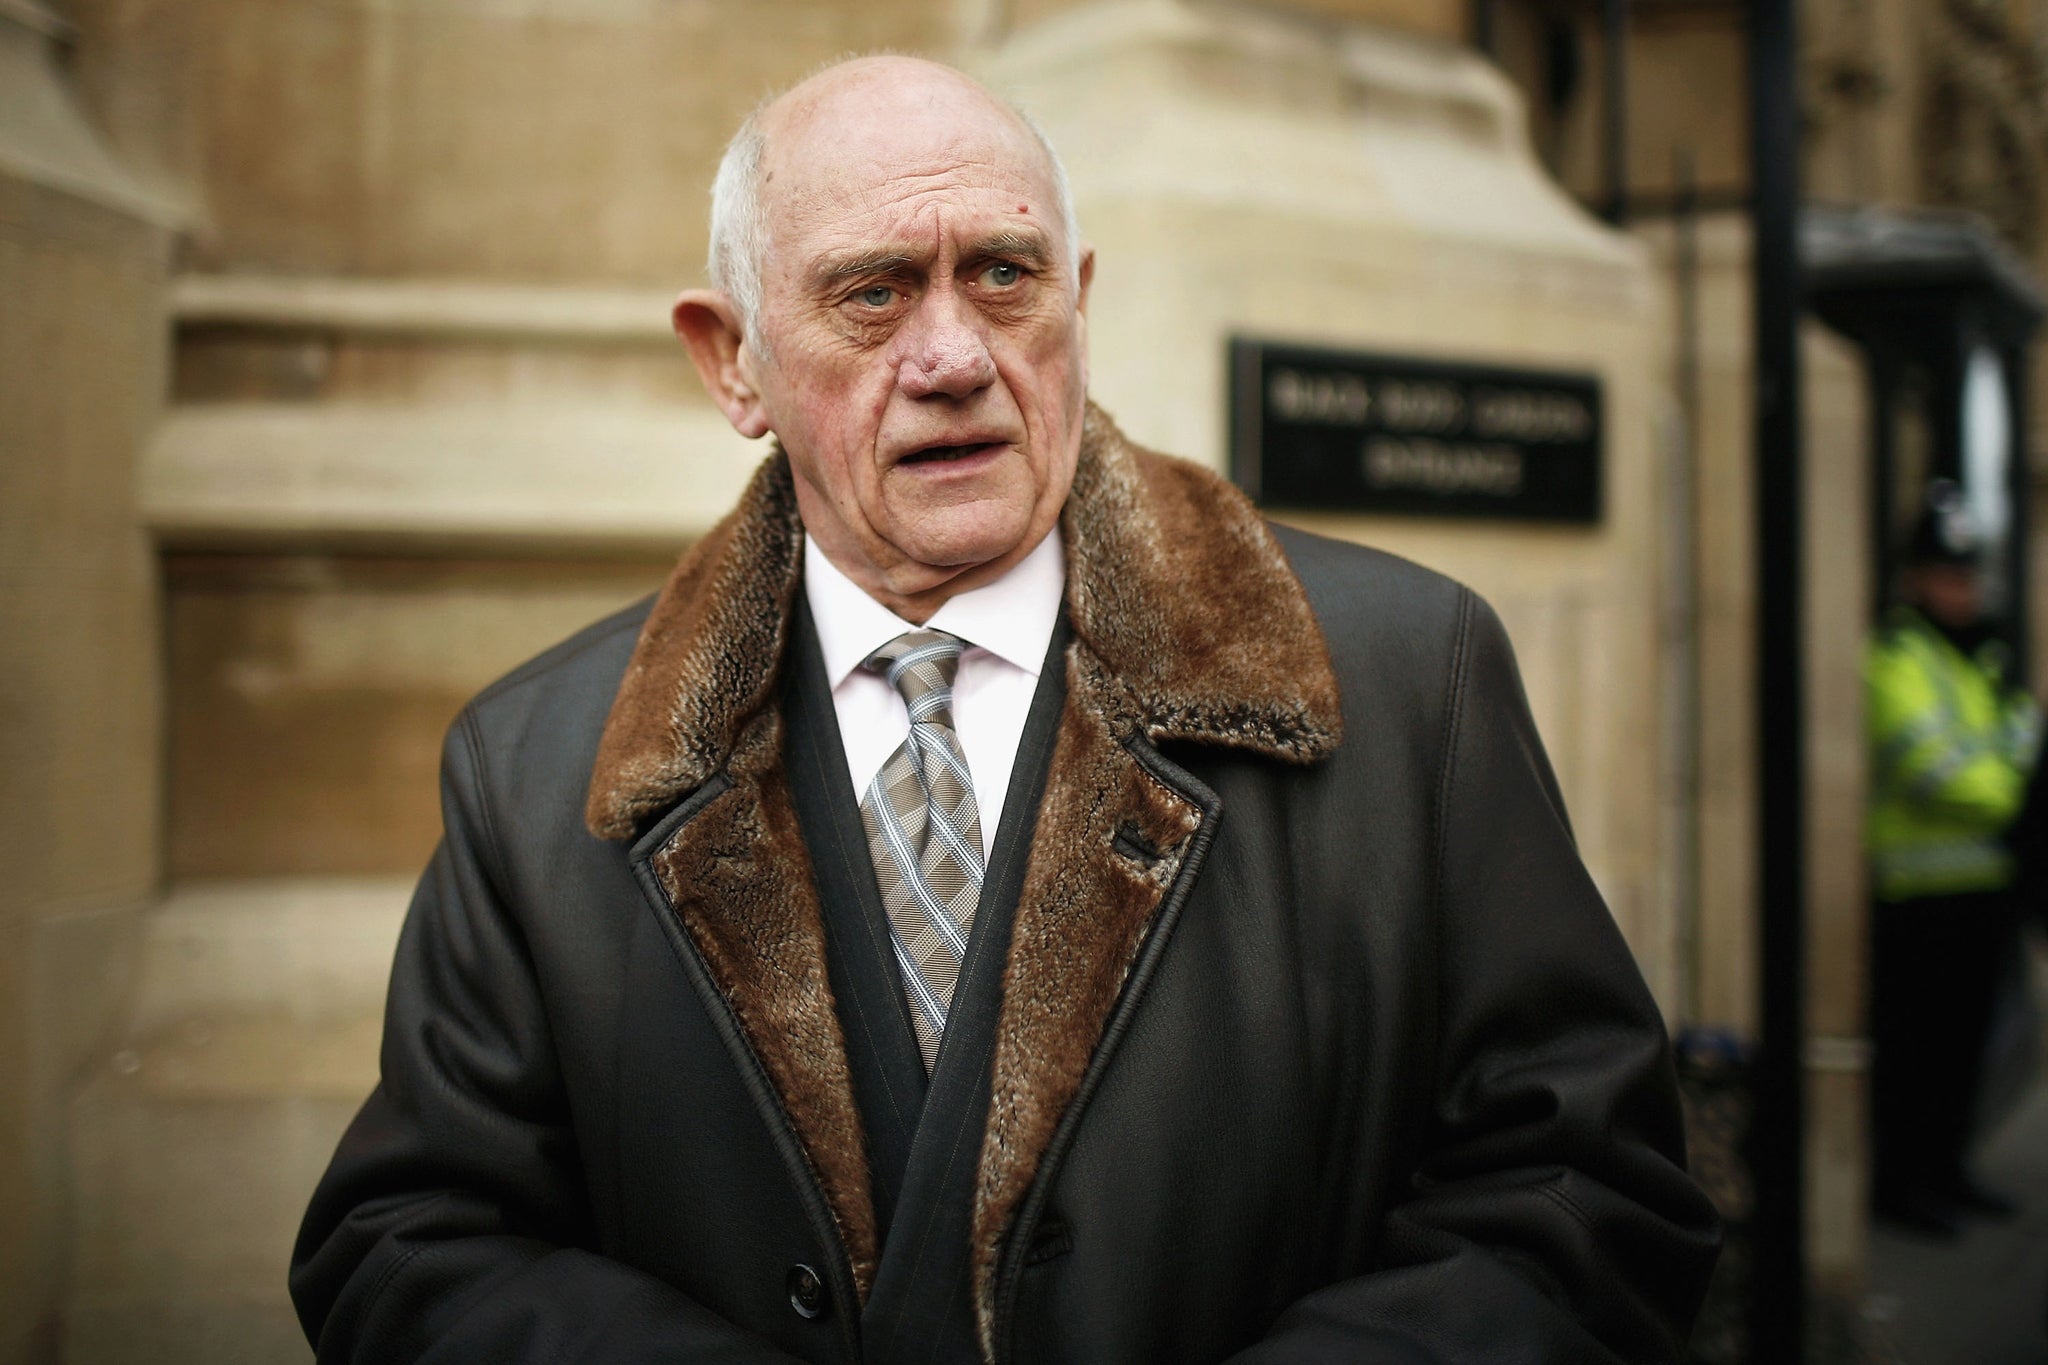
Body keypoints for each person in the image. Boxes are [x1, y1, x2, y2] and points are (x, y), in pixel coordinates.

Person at [290, 55, 1718, 1363]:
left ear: (1079, 301)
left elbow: (1591, 1196)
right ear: (731, 362)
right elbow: (404, 1247)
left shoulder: (1408, 682)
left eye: (1004, 275)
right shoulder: (541, 767)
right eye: (873, 292)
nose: (955, 354)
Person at [1865, 480, 2043, 1237]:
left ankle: (1947, 1170)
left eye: (1967, 576)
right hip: (1916, 896)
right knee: (1916, 1054)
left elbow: (2025, 733)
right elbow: (1937, 767)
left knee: (1964, 1050)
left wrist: (2007, 761)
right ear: (1914, 577)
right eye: (1947, 574)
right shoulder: (1896, 655)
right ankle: (1903, 1185)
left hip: (1982, 887)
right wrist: (2014, 788)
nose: (1960, 590)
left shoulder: (1978, 657)